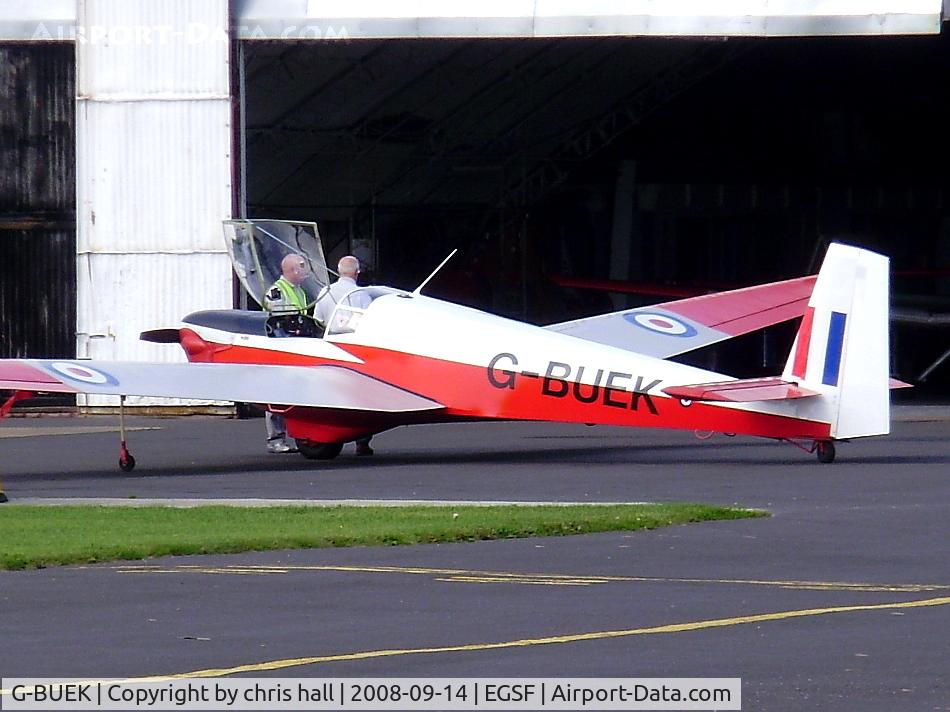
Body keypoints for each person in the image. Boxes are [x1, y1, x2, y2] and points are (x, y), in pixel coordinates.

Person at [315, 255, 375, 456]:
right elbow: (368, 322)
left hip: (330, 348)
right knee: (360, 397)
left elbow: (318, 320)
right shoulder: (361, 295)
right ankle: (362, 441)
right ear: (357, 273)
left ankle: (324, 432)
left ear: (339, 271)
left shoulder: (325, 292)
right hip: (354, 348)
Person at [262, 253, 310, 453]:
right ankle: (275, 439)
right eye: (302, 266)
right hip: (281, 348)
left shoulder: (299, 290)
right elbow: (279, 322)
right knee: (277, 394)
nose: (305, 270)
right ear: (292, 270)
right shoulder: (277, 292)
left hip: (298, 347)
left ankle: (297, 434)